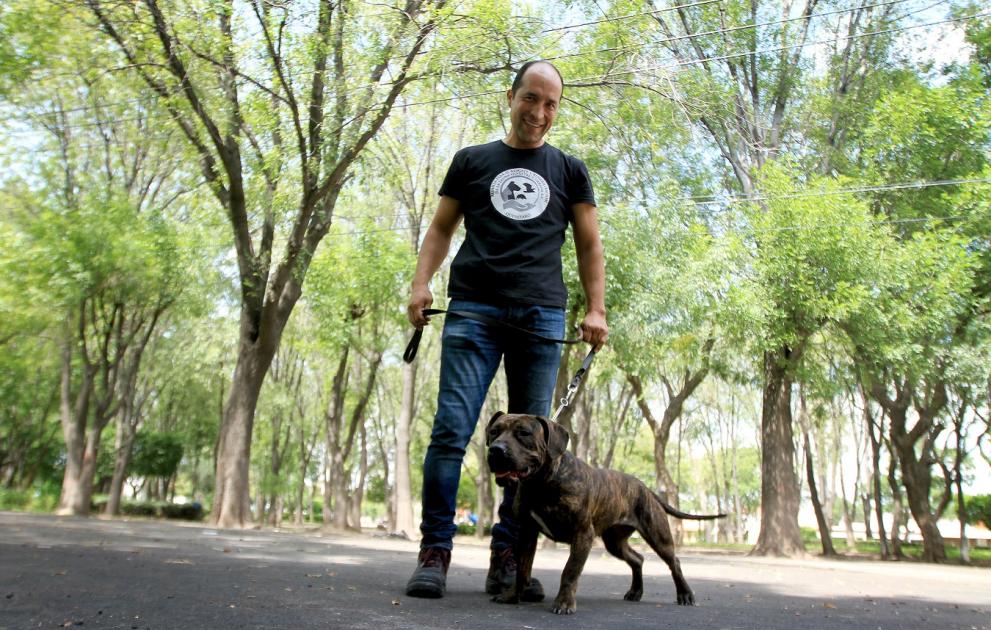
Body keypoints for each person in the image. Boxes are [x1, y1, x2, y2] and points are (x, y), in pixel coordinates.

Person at [404, 59, 608, 599]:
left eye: (550, 103)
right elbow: (441, 228)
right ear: (511, 97)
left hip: (541, 318)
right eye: (530, 98)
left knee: (532, 450)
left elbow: (589, 244)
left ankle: (508, 559)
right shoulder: (472, 161)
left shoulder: (570, 170)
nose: (539, 111)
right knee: (451, 431)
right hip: (473, 311)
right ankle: (435, 552)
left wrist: (596, 309)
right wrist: (421, 284)